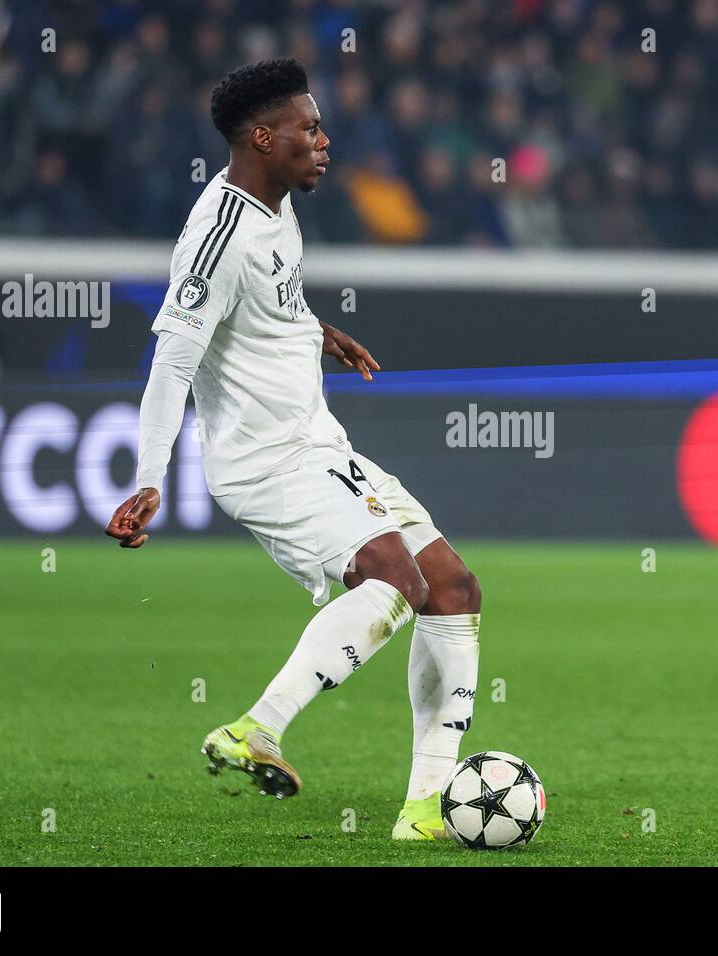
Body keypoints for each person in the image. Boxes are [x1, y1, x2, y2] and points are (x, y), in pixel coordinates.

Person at [105, 59, 480, 842]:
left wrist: (316, 332)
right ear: (263, 137)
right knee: (394, 578)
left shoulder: (276, 207)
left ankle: (423, 812)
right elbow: (173, 360)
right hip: (264, 461)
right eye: (309, 129)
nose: (324, 140)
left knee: (451, 587)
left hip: (317, 441)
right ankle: (255, 728)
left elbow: (271, 300)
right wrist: (148, 478)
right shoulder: (215, 238)